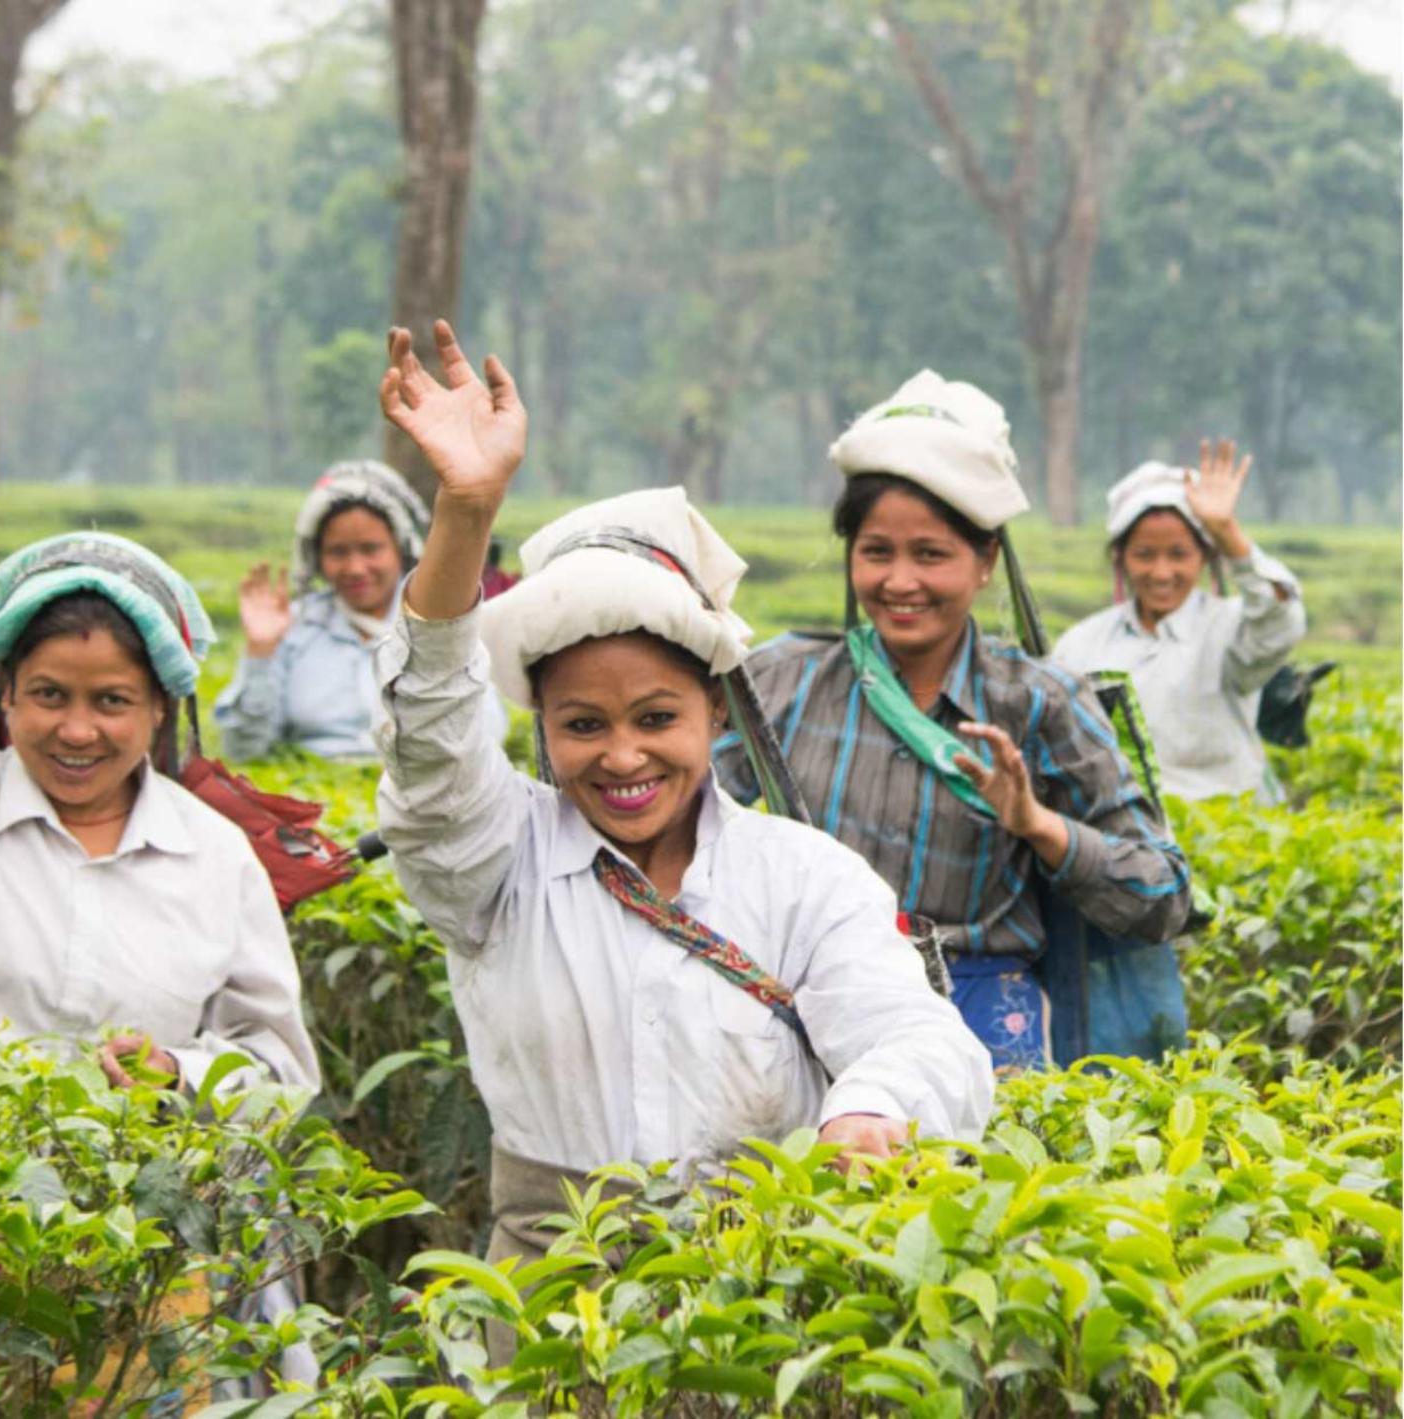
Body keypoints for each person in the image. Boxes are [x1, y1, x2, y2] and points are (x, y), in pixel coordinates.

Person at [374, 323, 992, 1276]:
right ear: (540, 721)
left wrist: (869, 1109)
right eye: (582, 725)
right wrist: (465, 510)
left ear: (715, 708)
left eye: (657, 716)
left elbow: (915, 1033)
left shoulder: (804, 878)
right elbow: (429, 740)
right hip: (550, 1304)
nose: (623, 756)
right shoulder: (497, 865)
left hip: (755, 1303)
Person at [0, 318, 319, 1098]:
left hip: (146, 1214)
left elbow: (278, 1066)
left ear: (157, 712)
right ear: (6, 695)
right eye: (48, 694)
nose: (77, 730)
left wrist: (182, 1075)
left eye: (111, 701)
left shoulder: (214, 857)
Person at [717, 370, 1192, 1069]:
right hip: (809, 1020)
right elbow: (684, 823)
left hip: (983, 1035)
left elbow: (1164, 892)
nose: (900, 581)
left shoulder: (1042, 703)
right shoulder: (782, 681)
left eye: (930, 554)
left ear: (985, 561)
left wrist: (1041, 827)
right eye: (876, 551)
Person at [1053, 444, 1306, 803]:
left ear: (1205, 556)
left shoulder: (1230, 628)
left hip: (1228, 830)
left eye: (1179, 554)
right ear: (1120, 557)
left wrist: (1226, 531)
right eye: (1144, 555)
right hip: (1123, 833)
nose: (1161, 573)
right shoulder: (1082, 642)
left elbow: (1281, 620)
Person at [213, 461, 429, 761]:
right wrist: (260, 651)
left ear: (399, 548)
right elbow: (243, 752)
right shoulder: (295, 626)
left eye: (370, 549)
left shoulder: (434, 625)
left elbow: (481, 735)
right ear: (317, 558)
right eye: (338, 552)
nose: (355, 569)